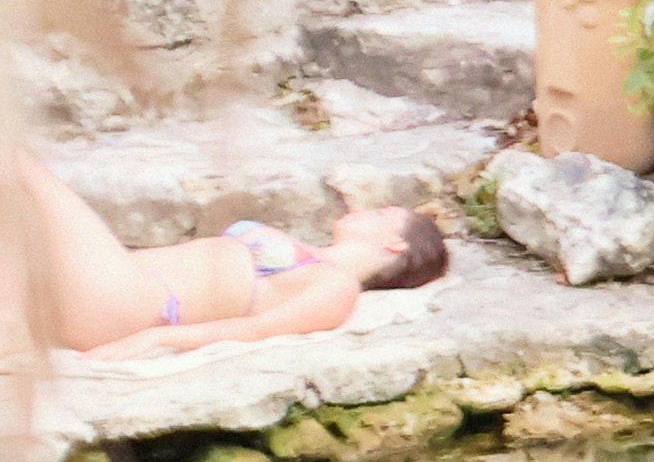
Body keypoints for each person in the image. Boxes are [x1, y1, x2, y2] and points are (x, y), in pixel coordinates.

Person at [13, 144, 447, 358]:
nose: (366, 208)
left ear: (396, 243)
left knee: (21, 166)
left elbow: (259, 330)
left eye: (383, 213)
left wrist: (155, 338)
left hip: (129, 302)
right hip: (103, 293)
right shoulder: (311, 258)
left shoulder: (337, 287)